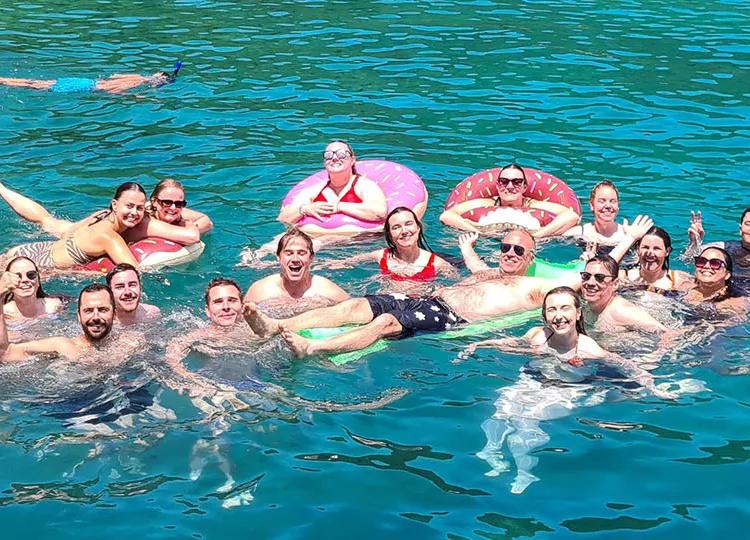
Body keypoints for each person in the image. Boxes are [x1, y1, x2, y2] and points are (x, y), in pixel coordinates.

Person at [463, 287, 674, 493]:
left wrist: (651, 385)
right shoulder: (538, 335)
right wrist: (480, 345)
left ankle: (525, 471)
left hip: (565, 391)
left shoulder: (588, 348)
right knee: (501, 409)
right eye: (552, 309)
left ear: (578, 312)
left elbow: (625, 364)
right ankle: (491, 451)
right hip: (532, 381)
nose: (558, 316)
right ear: (544, 314)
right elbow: (512, 343)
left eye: (565, 308)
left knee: (526, 423)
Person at [244, 230, 580, 358]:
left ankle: (312, 347)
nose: (509, 253)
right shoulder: (489, 270)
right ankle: (275, 325)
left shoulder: (537, 287)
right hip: (429, 299)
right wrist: (469, 250)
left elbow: (587, 281)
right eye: (505, 246)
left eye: (518, 250)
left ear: (531, 257)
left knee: (388, 322)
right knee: (357, 304)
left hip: (450, 317)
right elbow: (475, 265)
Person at [0, 181, 200, 271]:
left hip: (36, 248)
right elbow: (133, 270)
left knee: (47, 221)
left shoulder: (101, 215)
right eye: (129, 206)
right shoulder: (108, 237)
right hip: (39, 264)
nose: (135, 213)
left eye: (139, 208)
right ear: (115, 205)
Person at [1, 282, 140, 362]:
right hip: (66, 407)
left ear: (114, 314)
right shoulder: (62, 345)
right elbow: (6, 352)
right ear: (79, 316)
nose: (95, 317)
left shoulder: (131, 342)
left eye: (103, 310)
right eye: (88, 310)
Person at [438, 163, 580, 238]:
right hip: (486, 242)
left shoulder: (535, 205)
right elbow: (447, 216)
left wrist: (537, 236)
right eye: (504, 182)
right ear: (498, 185)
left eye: (516, 182)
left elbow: (571, 216)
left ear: (525, 186)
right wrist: (477, 231)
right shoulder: (485, 203)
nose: (510, 186)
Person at [277, 140, 388, 234]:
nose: (334, 158)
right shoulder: (314, 190)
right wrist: (305, 209)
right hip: (312, 239)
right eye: (328, 155)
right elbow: (284, 218)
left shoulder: (365, 186)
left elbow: (379, 213)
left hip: (358, 242)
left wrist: (339, 207)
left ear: (353, 160)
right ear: (324, 162)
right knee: (271, 246)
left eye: (341, 154)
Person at [325, 207, 454, 282]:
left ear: (418, 227)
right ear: (390, 234)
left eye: (408, 224)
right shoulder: (381, 256)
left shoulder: (437, 264)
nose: (404, 231)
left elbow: (457, 284)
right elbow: (348, 262)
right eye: (396, 227)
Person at [244, 229, 349, 306]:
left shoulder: (326, 291)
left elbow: (357, 311)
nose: (295, 259)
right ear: (278, 257)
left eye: (301, 253)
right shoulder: (261, 291)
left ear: (311, 257)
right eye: (289, 253)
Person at [605, 216, 692, 294]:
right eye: (645, 247)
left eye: (656, 248)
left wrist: (694, 246)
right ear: (637, 250)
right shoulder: (623, 278)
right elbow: (601, 269)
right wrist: (630, 238)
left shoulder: (679, 281)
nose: (650, 253)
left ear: (667, 251)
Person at [580, 255, 665, 332]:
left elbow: (668, 333)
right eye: (586, 276)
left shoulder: (621, 312)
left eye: (600, 278)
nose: (590, 283)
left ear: (615, 284)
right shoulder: (584, 305)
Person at [0, 62, 182, 94]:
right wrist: (134, 97)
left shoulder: (137, 75)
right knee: (36, 86)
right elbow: (113, 90)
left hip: (85, 80)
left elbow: (114, 77)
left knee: (39, 83)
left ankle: (3, 79)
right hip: (88, 88)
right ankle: (3, 80)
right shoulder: (136, 81)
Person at [687, 208, 750, 280]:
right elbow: (688, 259)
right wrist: (694, 243)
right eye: (748, 224)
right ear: (740, 229)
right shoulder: (724, 248)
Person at [683, 247, 748, 314]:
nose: (706, 266)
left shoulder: (735, 303)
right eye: (701, 261)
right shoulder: (684, 287)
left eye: (715, 263)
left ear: (727, 275)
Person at [563, 180, 627, 245]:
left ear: (618, 206)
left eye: (613, 201)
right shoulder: (580, 233)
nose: (608, 205)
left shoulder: (627, 234)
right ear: (591, 205)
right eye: (602, 201)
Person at [2, 256, 64, 321]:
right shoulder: (4, 314)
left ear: (38, 281)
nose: (25, 279)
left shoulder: (55, 306)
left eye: (31, 274)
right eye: (17, 276)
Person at [458, 229, 536, 276]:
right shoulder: (490, 275)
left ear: (531, 259)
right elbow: (477, 267)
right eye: (506, 248)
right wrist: (466, 247)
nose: (510, 253)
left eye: (518, 250)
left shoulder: (532, 288)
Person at [148, 178, 213, 234]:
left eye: (178, 203)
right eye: (167, 202)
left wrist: (187, 229)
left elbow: (206, 221)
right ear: (154, 202)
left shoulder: (179, 214)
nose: (173, 208)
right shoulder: (146, 216)